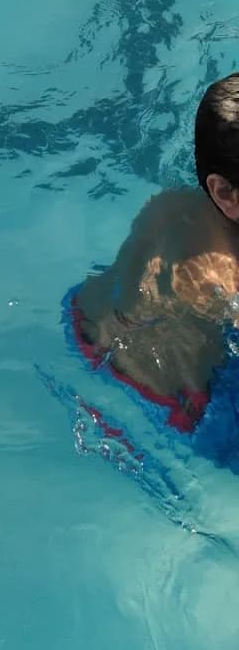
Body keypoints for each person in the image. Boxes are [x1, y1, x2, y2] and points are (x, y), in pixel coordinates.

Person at [67, 74, 239, 465]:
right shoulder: (219, 273)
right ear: (225, 192)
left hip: (85, 321)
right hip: (179, 405)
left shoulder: (171, 205)